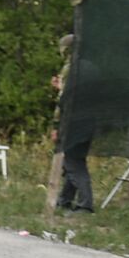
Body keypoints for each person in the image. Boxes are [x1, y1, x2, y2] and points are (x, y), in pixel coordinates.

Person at [53, 33, 94, 212]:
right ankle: (65, 200)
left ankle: (86, 205)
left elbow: (66, 98)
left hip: (72, 122)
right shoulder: (92, 66)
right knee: (72, 161)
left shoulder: (72, 67)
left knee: (73, 162)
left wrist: (56, 125)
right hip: (89, 121)